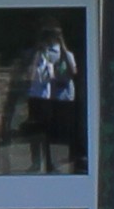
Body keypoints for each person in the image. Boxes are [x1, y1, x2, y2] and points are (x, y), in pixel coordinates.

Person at [18, 22, 83, 173]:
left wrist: (63, 46)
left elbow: (73, 71)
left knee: (57, 131)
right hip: (41, 96)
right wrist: (38, 51)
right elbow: (30, 75)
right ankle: (37, 162)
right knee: (38, 130)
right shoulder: (38, 54)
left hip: (61, 97)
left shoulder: (65, 54)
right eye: (50, 36)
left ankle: (55, 163)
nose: (51, 39)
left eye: (54, 36)